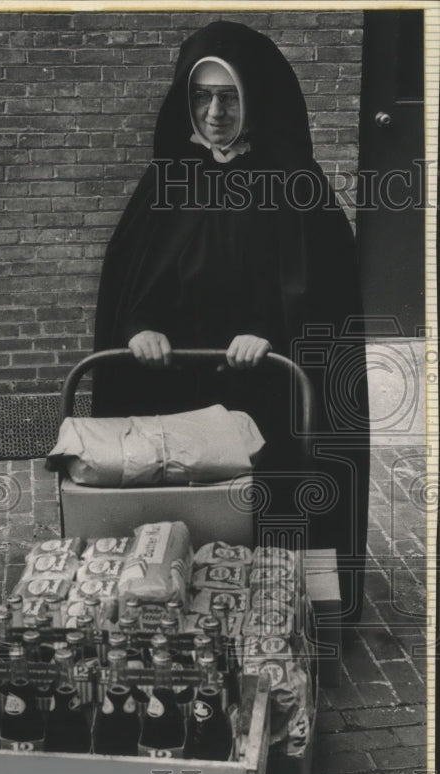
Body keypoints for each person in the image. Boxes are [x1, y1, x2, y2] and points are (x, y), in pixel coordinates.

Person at [92, 20, 369, 623]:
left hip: (265, 389)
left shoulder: (298, 187)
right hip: (177, 386)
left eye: (229, 96)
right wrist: (139, 327)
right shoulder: (168, 182)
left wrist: (272, 331)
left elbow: (327, 298)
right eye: (201, 96)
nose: (214, 112)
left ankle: (273, 611)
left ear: (256, 98)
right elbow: (132, 283)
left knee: (265, 518)